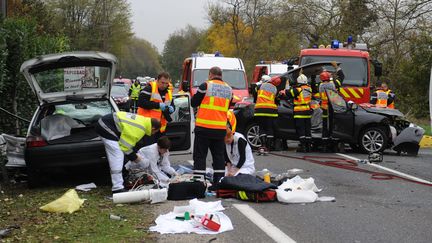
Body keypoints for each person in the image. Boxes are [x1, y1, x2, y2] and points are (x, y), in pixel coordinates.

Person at [94, 111, 161, 193]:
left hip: (106, 123)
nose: (153, 134)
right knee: (117, 154)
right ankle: (117, 188)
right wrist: (137, 159)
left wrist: (135, 155)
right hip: (105, 126)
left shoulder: (143, 121)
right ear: (153, 128)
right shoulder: (140, 129)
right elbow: (125, 147)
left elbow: (129, 142)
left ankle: (119, 184)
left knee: (118, 152)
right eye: (155, 132)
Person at [191, 66, 232, 190]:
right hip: (219, 129)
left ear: (210, 74)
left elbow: (194, 102)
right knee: (219, 156)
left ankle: (199, 184)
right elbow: (227, 106)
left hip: (204, 127)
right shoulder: (229, 89)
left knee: (200, 156)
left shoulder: (206, 86)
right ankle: (218, 183)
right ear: (221, 75)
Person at [137, 72, 174, 141]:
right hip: (148, 126)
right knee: (148, 148)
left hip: (161, 128)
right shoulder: (149, 88)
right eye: (162, 82)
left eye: (166, 83)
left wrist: (172, 108)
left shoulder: (168, 91)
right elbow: (140, 102)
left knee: (160, 148)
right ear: (157, 80)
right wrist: (158, 105)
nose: (164, 85)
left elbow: (171, 104)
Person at [285, 74, 313, 152]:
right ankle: (309, 147)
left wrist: (287, 85)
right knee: (307, 130)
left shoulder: (297, 89)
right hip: (307, 111)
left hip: (299, 111)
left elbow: (287, 94)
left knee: (301, 130)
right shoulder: (309, 89)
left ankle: (303, 146)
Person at [253, 75, 280, 153]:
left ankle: (263, 145)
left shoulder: (259, 86)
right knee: (269, 128)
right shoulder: (275, 89)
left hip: (260, 109)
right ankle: (269, 146)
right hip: (271, 110)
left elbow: (255, 96)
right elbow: (277, 100)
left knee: (261, 128)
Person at [318, 71, 337, 140]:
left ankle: (324, 135)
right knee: (331, 120)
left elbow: (320, 95)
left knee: (324, 121)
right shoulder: (332, 85)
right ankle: (331, 134)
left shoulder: (321, 85)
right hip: (331, 105)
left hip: (324, 106)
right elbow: (335, 93)